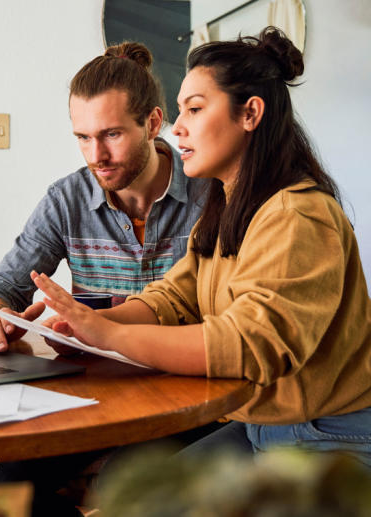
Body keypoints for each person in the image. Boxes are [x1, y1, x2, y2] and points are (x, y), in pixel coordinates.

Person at [35, 27, 371, 467]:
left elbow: (250, 345)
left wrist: (113, 336)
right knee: (127, 488)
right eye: (180, 111)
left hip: (328, 436)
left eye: (195, 109)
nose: (180, 128)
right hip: (261, 426)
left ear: (250, 114)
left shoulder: (297, 215)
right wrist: (90, 324)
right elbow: (175, 296)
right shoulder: (228, 206)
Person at [0, 42, 209, 354]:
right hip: (97, 386)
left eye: (112, 135)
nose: (97, 157)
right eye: (83, 137)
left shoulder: (212, 193)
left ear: (152, 124)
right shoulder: (66, 201)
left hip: (189, 381)